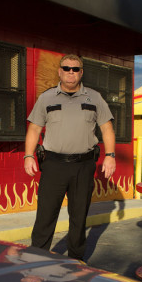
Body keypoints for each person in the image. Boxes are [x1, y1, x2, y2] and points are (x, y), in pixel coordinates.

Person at [23, 54, 116, 261]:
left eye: (75, 69)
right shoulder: (47, 98)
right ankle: (36, 259)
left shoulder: (95, 97)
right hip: (53, 165)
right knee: (46, 215)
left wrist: (110, 155)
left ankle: (77, 262)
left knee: (79, 216)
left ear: (81, 72)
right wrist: (28, 155)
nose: (70, 72)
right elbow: (34, 128)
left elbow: (107, 128)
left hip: (83, 166)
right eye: (66, 68)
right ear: (59, 71)